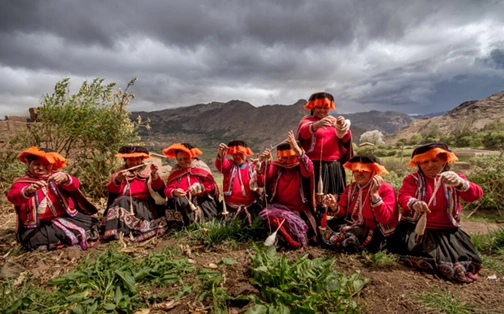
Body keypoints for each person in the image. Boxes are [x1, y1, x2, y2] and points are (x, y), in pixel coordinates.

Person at [391, 142, 483, 283]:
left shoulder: (455, 178)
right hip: (416, 229)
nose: (429, 165)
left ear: (445, 161)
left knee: (460, 261)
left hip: (446, 232)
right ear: (418, 164)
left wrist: (460, 183)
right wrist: (414, 203)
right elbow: (403, 196)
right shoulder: (413, 180)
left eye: (435, 160)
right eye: (424, 162)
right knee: (425, 256)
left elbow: (475, 195)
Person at [7, 147, 99, 252]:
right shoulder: (22, 183)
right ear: (29, 165)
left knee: (92, 224)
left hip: (66, 218)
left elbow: (75, 185)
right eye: (36, 164)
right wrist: (28, 190)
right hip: (39, 226)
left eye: (45, 164)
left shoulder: (57, 177)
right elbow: (13, 197)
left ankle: (66, 240)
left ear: (52, 165)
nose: (41, 168)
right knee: (37, 239)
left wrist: (66, 178)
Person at [318, 155, 398, 252]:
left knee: (350, 234)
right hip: (353, 224)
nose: (359, 174)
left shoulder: (386, 189)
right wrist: (334, 206)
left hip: (374, 231)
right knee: (324, 224)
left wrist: (375, 195)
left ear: (375, 172)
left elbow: (385, 219)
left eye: (364, 171)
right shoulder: (351, 187)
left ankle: (337, 242)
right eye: (356, 170)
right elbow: (343, 213)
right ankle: (338, 242)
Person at [257, 131, 317, 248]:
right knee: (273, 220)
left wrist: (298, 152)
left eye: (292, 157)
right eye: (284, 158)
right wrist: (267, 162)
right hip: (279, 209)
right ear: (279, 157)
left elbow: (309, 170)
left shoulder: (302, 167)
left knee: (305, 231)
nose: (288, 161)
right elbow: (266, 176)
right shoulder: (277, 166)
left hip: (300, 210)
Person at [296, 92, 353, 210]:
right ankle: (316, 220)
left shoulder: (333, 121)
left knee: (334, 196)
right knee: (315, 197)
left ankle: (333, 217)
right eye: (319, 107)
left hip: (334, 166)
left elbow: (346, 139)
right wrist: (316, 125)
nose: (322, 110)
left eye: (325, 108)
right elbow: (304, 133)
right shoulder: (307, 121)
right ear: (312, 107)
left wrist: (342, 127)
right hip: (314, 166)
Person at [101, 145, 169, 242]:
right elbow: (113, 191)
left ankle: (128, 232)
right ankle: (118, 233)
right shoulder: (120, 172)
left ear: (142, 159)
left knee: (122, 201)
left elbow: (158, 188)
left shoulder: (148, 170)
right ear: (125, 160)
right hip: (125, 204)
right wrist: (118, 180)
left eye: (137, 159)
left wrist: (154, 175)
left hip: (144, 206)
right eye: (130, 160)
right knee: (121, 201)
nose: (134, 162)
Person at [163, 143, 220, 225]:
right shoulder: (175, 172)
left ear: (192, 156)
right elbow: (167, 189)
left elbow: (211, 185)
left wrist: (200, 187)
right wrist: (174, 192)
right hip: (182, 203)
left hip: (202, 201)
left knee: (209, 219)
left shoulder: (201, 168)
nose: (183, 162)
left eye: (186, 158)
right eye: (180, 159)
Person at [215, 140, 262, 225]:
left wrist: (259, 169)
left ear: (246, 153)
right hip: (231, 207)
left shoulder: (253, 166)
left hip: (250, 206)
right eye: (234, 154)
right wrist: (221, 154)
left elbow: (261, 182)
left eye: (241, 154)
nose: (237, 157)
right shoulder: (229, 166)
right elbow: (221, 165)